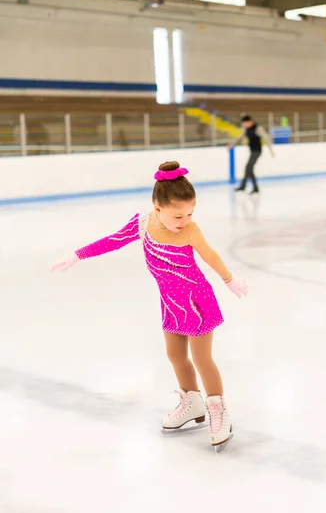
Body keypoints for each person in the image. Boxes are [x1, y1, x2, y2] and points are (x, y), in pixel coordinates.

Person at [51, 161, 248, 451]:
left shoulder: (190, 230)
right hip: (170, 302)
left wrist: (229, 279)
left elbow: (210, 256)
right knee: (174, 354)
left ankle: (218, 410)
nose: (185, 219)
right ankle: (192, 402)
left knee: (202, 357)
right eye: (178, 214)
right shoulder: (144, 224)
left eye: (190, 213)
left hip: (196, 300)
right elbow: (114, 241)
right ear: (158, 209)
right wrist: (78, 254)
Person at [228, 114, 274, 194]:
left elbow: (266, 138)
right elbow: (240, 137)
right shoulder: (246, 129)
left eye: (245, 123)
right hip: (252, 151)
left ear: (250, 122)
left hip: (257, 151)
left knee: (248, 168)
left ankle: (249, 187)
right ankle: (248, 187)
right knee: (249, 168)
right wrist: (231, 144)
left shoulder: (258, 128)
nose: (244, 124)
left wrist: (271, 151)